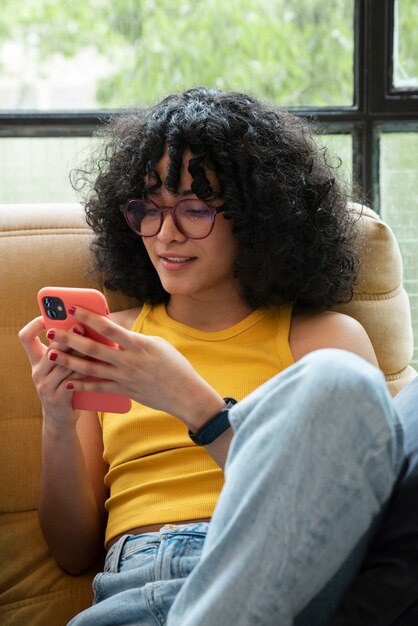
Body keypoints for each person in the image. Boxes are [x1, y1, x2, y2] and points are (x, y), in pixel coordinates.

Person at [19, 87, 406, 626]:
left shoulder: (323, 342)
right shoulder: (112, 340)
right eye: (147, 210)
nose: (165, 234)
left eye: (194, 208)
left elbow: (345, 516)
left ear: (258, 218)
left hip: (278, 573)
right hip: (137, 587)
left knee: (347, 387)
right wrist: (58, 420)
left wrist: (194, 404)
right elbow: (73, 551)